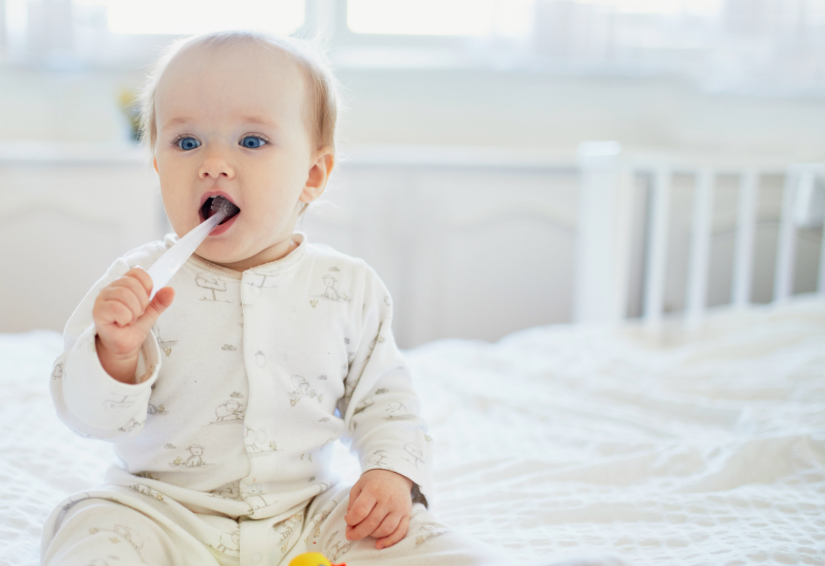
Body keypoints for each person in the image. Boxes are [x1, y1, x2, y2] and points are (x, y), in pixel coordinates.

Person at [42, 31, 624, 566]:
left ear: (313, 176)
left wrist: (391, 472)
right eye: (186, 141)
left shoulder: (348, 288)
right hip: (162, 514)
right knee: (93, 531)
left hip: (307, 516)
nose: (213, 164)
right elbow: (91, 420)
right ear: (157, 163)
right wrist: (115, 353)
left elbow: (385, 399)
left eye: (252, 140)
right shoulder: (136, 285)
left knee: (431, 546)